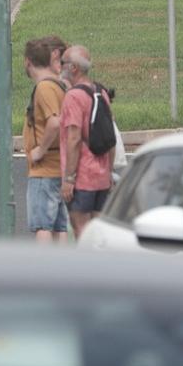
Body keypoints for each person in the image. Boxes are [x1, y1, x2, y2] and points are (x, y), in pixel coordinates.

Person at [57, 45, 116, 237]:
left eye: (63, 62)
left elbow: (73, 139)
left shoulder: (73, 96)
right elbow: (111, 137)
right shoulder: (102, 93)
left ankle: (89, 267)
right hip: (101, 178)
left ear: (73, 68)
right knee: (98, 233)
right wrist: (109, 171)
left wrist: (69, 179)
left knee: (82, 232)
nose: (60, 66)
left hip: (82, 179)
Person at [21, 35, 70, 243]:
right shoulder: (61, 85)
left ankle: (45, 272)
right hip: (59, 167)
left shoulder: (45, 88)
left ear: (28, 62)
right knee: (60, 227)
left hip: (44, 170)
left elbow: (54, 122)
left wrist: (39, 150)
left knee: (42, 226)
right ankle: (63, 271)